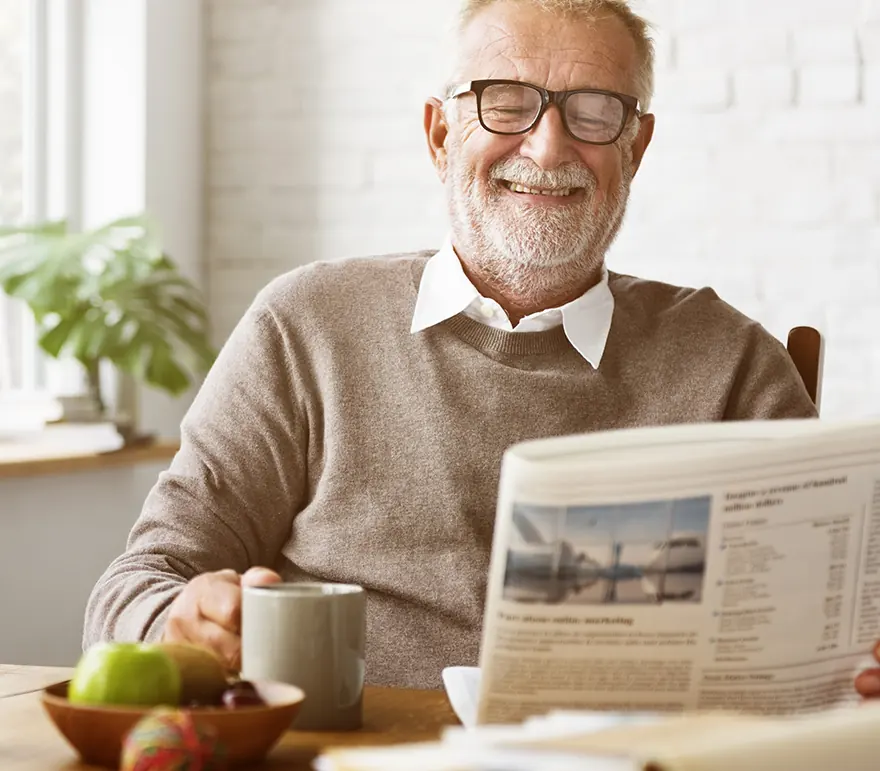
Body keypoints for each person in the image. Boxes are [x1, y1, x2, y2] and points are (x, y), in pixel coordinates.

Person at [84, 0, 870, 695]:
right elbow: (134, 588)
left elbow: (842, 617)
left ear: (636, 147)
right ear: (439, 133)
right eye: (506, 104)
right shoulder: (306, 325)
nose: (549, 145)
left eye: (594, 112)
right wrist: (177, 620)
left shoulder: (732, 363)